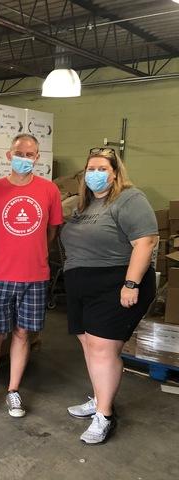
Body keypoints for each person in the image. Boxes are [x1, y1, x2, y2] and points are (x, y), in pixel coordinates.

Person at [61, 148, 157, 445]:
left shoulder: (129, 198)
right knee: (90, 346)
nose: (95, 174)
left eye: (102, 168)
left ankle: (104, 415)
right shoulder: (84, 204)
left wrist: (131, 284)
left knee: (103, 349)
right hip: (80, 285)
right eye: (91, 169)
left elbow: (146, 242)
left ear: (115, 173)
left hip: (115, 283)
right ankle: (100, 397)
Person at [0, 133, 63, 418]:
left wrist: (35, 253)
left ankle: (13, 390)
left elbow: (52, 229)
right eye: (20, 153)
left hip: (34, 277)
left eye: (30, 154)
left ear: (37, 158)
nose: (25, 158)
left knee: (22, 334)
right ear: (9, 156)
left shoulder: (49, 190)